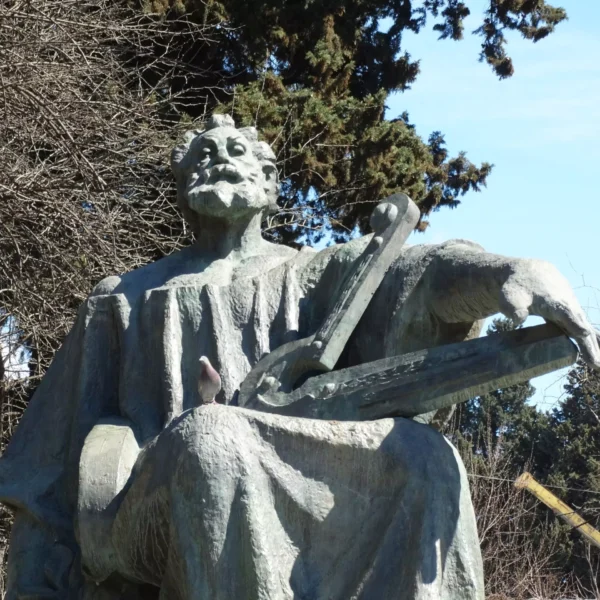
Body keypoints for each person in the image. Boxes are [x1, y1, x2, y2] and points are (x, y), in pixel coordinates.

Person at [1, 114, 598, 600]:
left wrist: (506, 274)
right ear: (182, 184)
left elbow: (414, 274)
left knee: (423, 456)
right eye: (203, 152)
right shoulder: (123, 299)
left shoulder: (316, 271)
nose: (218, 155)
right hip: (147, 502)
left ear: (269, 182)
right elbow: (48, 463)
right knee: (214, 438)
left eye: (236, 148)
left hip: (287, 458)